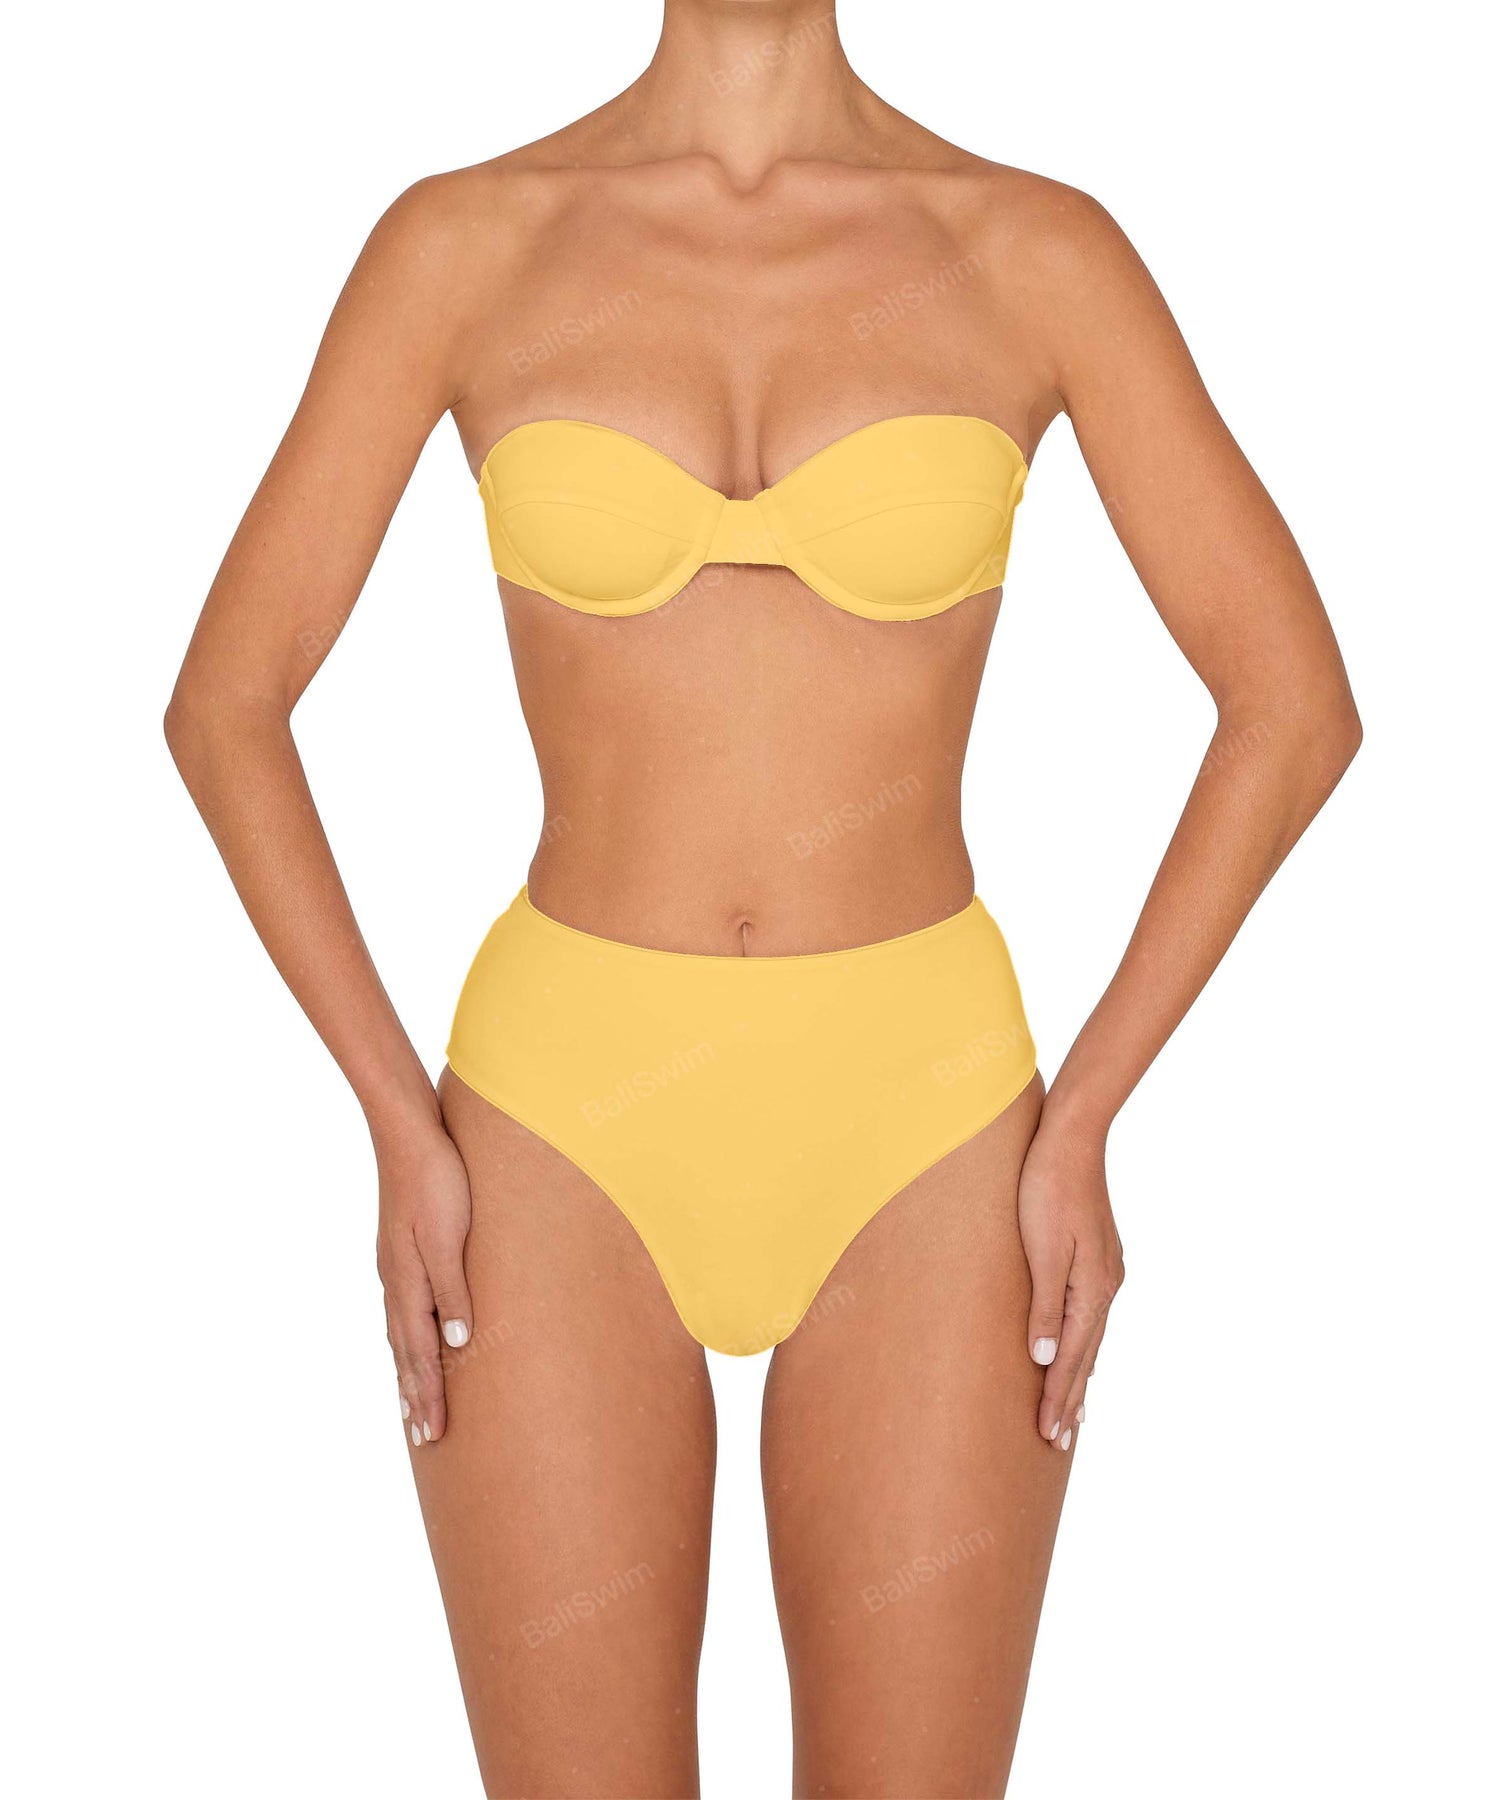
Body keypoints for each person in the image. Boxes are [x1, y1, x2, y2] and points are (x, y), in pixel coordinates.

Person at [165, 1, 1361, 1792]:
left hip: (928, 1128)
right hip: (556, 1126)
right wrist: (395, 1121)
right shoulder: (465, 241)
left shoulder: (1034, 249)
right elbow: (227, 703)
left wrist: (1087, 1118)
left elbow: (1292, 703)